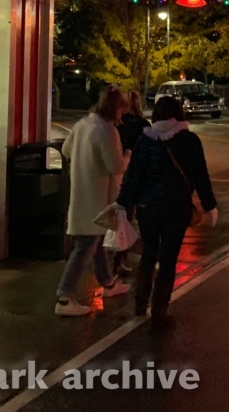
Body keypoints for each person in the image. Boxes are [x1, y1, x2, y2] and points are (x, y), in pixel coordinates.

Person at [118, 96, 217, 329]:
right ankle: (160, 310)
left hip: (147, 208)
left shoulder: (144, 139)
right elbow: (200, 176)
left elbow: (133, 175)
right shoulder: (189, 140)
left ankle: (140, 304)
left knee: (148, 254)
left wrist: (123, 202)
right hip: (176, 208)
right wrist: (210, 204)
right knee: (168, 259)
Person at [54, 85, 132, 316]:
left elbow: (66, 151)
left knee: (95, 241)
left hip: (80, 192)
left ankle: (107, 283)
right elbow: (115, 166)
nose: (122, 115)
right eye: (121, 110)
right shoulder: (107, 131)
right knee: (86, 246)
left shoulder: (81, 125)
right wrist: (128, 155)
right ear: (115, 107)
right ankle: (65, 297)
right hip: (98, 196)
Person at [112, 90, 150, 277]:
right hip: (136, 175)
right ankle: (119, 259)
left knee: (118, 217)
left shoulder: (116, 125)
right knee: (129, 218)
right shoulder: (143, 125)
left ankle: (115, 260)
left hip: (116, 176)